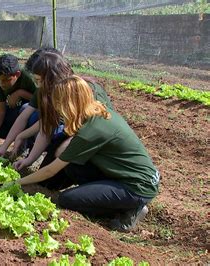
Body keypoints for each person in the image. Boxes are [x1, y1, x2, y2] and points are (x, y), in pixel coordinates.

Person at [13, 76, 159, 232]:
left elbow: (51, 170)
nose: (57, 109)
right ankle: (122, 202)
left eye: (59, 104)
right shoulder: (98, 111)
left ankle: (127, 209)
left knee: (67, 199)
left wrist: (18, 182)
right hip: (128, 177)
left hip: (137, 187)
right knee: (72, 167)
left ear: (69, 103)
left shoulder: (91, 131)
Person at [11, 52, 113, 170]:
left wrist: (65, 151)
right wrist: (29, 160)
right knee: (48, 181)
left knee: (67, 165)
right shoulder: (53, 93)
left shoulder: (87, 90)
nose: (38, 86)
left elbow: (97, 129)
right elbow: (47, 126)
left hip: (95, 143)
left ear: (52, 78)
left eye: (39, 80)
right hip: (76, 135)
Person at [0, 47, 63, 158]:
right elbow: (25, 117)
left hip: (74, 133)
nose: (36, 84)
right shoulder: (44, 87)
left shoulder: (66, 91)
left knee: (56, 144)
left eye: (38, 80)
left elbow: (47, 124)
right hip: (50, 124)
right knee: (26, 111)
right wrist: (5, 145)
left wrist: (29, 159)